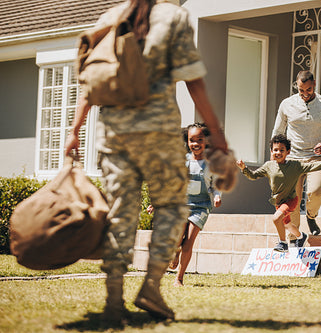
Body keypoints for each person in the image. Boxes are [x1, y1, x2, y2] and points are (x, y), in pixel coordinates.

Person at [64, 0, 234, 325]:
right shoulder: (172, 17)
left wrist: (74, 130)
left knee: (119, 215)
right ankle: (151, 287)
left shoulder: (110, 17)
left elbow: (90, 82)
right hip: (158, 135)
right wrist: (218, 134)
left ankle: (114, 300)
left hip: (113, 135)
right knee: (172, 208)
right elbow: (194, 82)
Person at [272, 70, 321, 239]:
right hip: (292, 158)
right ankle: (295, 237)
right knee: (292, 202)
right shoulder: (287, 104)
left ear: (314, 85)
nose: (304, 94)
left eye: (308, 90)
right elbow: (277, 132)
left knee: (316, 191)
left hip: (316, 158)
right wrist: (274, 161)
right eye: (301, 90)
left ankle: (311, 217)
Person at [236, 134, 321, 252]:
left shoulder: (294, 166)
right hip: (278, 202)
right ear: (271, 151)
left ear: (288, 152)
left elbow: (310, 166)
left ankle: (283, 243)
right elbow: (253, 176)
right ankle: (301, 236)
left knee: (276, 218)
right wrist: (244, 168)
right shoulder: (269, 166)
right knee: (286, 224)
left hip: (291, 200)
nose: (278, 152)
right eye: (275, 150)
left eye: (281, 150)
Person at [168, 123, 222, 287]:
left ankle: (179, 278)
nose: (196, 143)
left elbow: (215, 184)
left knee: (189, 242)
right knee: (178, 239)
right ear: (187, 141)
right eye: (192, 140)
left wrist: (218, 196)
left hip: (201, 206)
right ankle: (175, 252)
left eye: (200, 139)